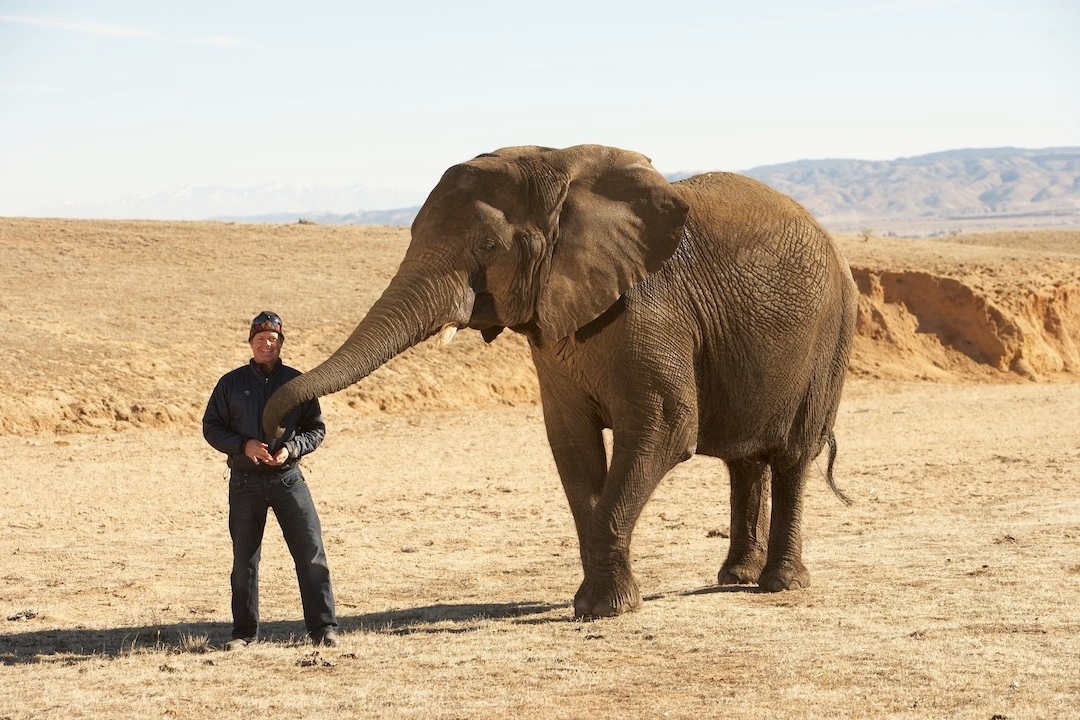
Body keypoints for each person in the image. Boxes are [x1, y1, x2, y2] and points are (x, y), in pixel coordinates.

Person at [202, 311, 339, 650]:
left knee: (311, 553)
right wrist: (242, 445)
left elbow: (316, 429)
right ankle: (243, 634)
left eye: (273, 340)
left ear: (280, 345)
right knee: (244, 561)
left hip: (288, 479)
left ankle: (324, 630)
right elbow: (211, 426)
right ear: (251, 342)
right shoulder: (230, 384)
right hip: (245, 482)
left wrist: (292, 448)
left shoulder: (298, 382)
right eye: (261, 339)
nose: (267, 344)